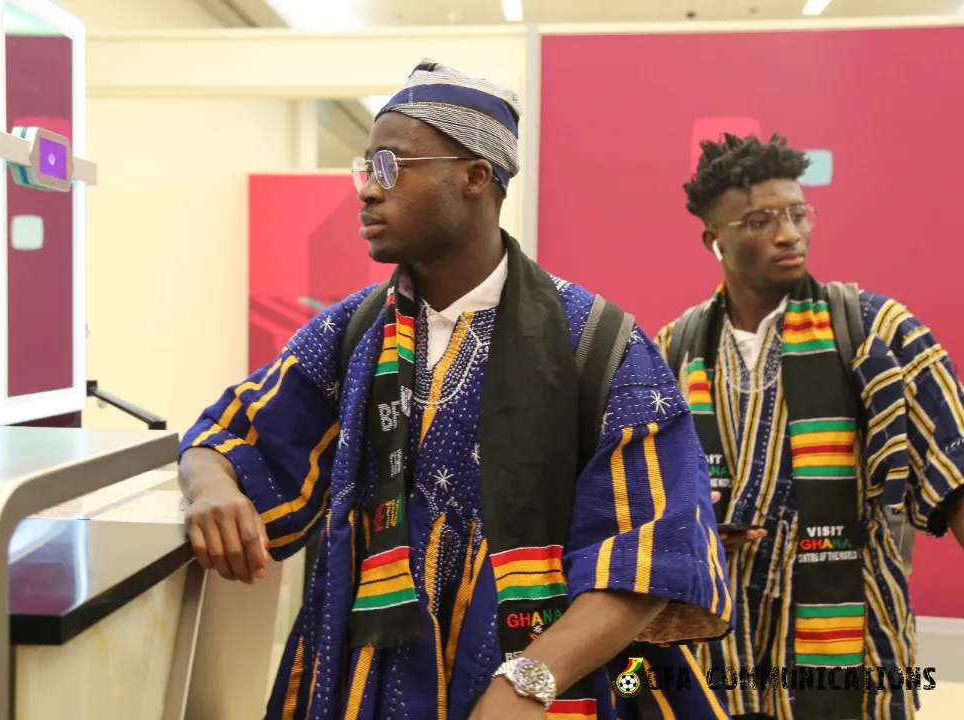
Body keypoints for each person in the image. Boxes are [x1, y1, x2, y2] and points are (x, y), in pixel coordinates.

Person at [178, 59, 733, 720]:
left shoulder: (600, 343)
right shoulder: (353, 331)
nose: (366, 190)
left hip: (536, 690)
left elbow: (652, 559)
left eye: (390, 166)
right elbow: (225, 436)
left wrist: (530, 678)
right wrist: (210, 488)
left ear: (475, 176)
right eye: (365, 168)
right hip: (363, 687)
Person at [654, 133, 964, 720]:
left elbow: (957, 476)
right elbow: (637, 504)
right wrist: (693, 534)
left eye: (799, 213)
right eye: (761, 219)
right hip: (717, 658)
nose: (790, 233)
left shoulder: (875, 332)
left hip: (853, 644)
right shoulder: (674, 349)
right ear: (713, 239)